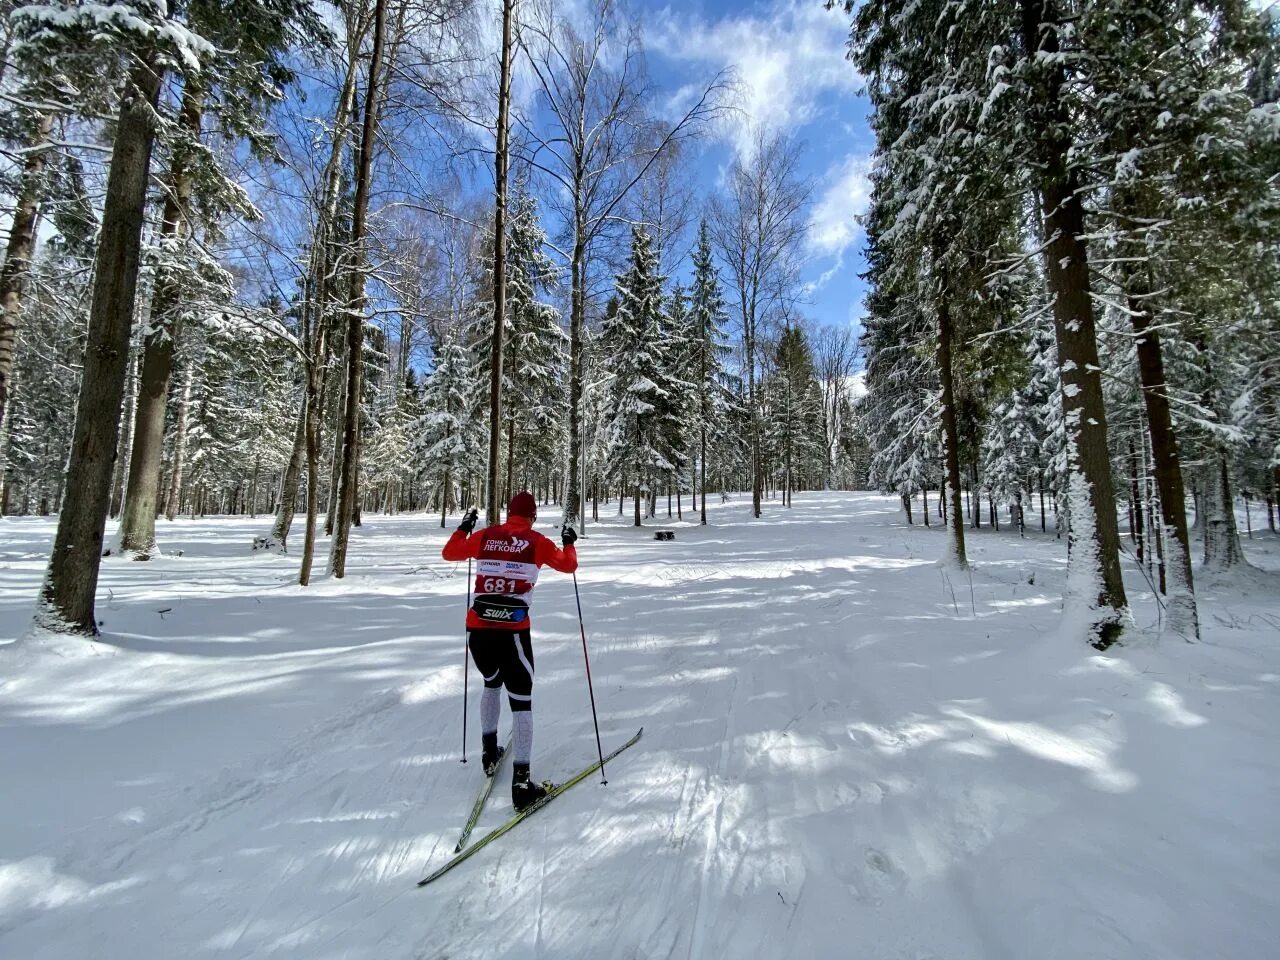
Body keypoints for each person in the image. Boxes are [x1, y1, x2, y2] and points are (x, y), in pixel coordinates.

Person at [442, 491, 578, 811]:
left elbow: (450, 553)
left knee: (491, 682)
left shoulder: (486, 536)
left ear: (508, 514)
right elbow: (569, 565)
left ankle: (489, 754)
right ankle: (521, 785)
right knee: (521, 701)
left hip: (477, 633)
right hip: (513, 635)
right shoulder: (537, 542)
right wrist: (569, 540)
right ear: (531, 517)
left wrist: (464, 528)